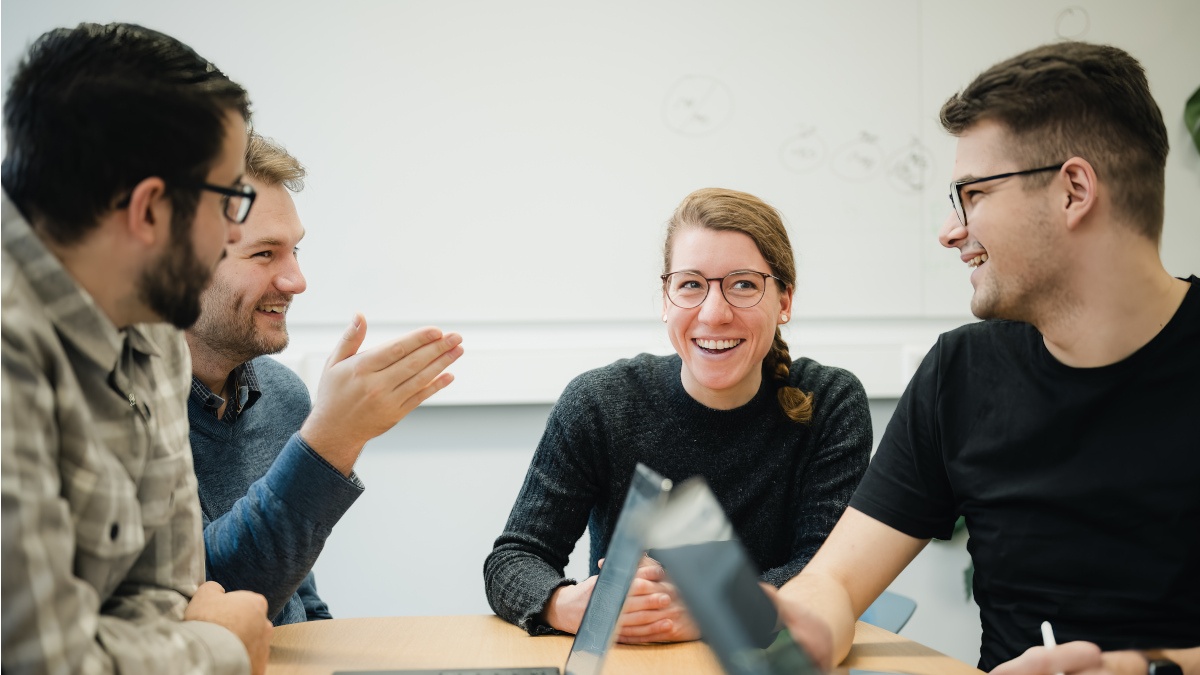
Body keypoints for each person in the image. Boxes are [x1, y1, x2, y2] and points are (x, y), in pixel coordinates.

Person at [777, 42, 1200, 674]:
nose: (951, 231)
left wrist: (1146, 669)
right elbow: (834, 582)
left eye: (973, 194)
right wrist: (802, 626)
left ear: (1073, 190)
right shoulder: (960, 373)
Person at [1, 23, 274, 675]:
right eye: (231, 198)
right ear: (150, 209)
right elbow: (45, 661)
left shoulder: (150, 323)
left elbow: (169, 594)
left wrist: (160, 643)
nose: (235, 232)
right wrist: (219, 649)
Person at [485, 187, 872, 643]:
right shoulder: (599, 402)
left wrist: (710, 609)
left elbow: (826, 573)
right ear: (666, 300)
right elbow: (514, 557)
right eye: (690, 285)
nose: (714, 313)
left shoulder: (829, 402)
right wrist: (568, 605)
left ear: (784, 300)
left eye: (743, 284)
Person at [185, 133, 464, 625]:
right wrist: (331, 440)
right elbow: (207, 603)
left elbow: (295, 600)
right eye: (264, 254)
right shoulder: (122, 409)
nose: (296, 280)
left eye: (295, 251)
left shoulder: (280, 394)